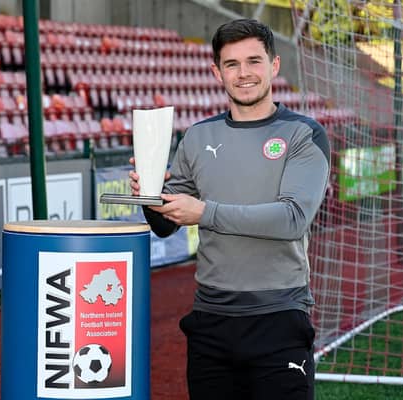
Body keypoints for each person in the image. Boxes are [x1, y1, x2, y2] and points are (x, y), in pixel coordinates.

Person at [129, 18, 330, 400]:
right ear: (216, 72)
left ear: (274, 65)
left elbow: (291, 219)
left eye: (254, 61)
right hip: (210, 321)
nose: (244, 74)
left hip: (279, 318)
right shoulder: (199, 136)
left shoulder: (303, 134)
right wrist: (151, 197)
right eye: (232, 64)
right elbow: (165, 226)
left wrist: (203, 212)